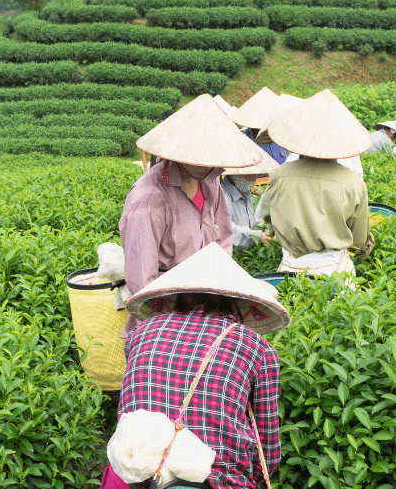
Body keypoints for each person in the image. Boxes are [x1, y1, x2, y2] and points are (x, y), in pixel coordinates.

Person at [101, 243, 290, 489]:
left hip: (130, 485)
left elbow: (137, 402)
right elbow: (267, 452)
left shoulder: (141, 333)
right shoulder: (257, 347)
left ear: (175, 296)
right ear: (238, 302)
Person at [119, 94, 270, 337]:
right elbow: (142, 281)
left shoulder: (210, 183)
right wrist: (182, 321)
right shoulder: (149, 200)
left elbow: (223, 240)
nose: (211, 164)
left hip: (207, 311)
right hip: (163, 320)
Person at [261, 89, 375, 277]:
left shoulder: (278, 175)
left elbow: (268, 217)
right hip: (332, 270)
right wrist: (365, 249)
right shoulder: (353, 182)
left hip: (289, 267)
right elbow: (359, 236)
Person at [220, 150, 279, 250]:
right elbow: (228, 230)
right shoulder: (223, 196)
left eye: (255, 174)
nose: (253, 178)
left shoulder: (244, 192)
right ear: (234, 173)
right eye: (248, 174)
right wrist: (259, 236)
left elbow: (251, 224)